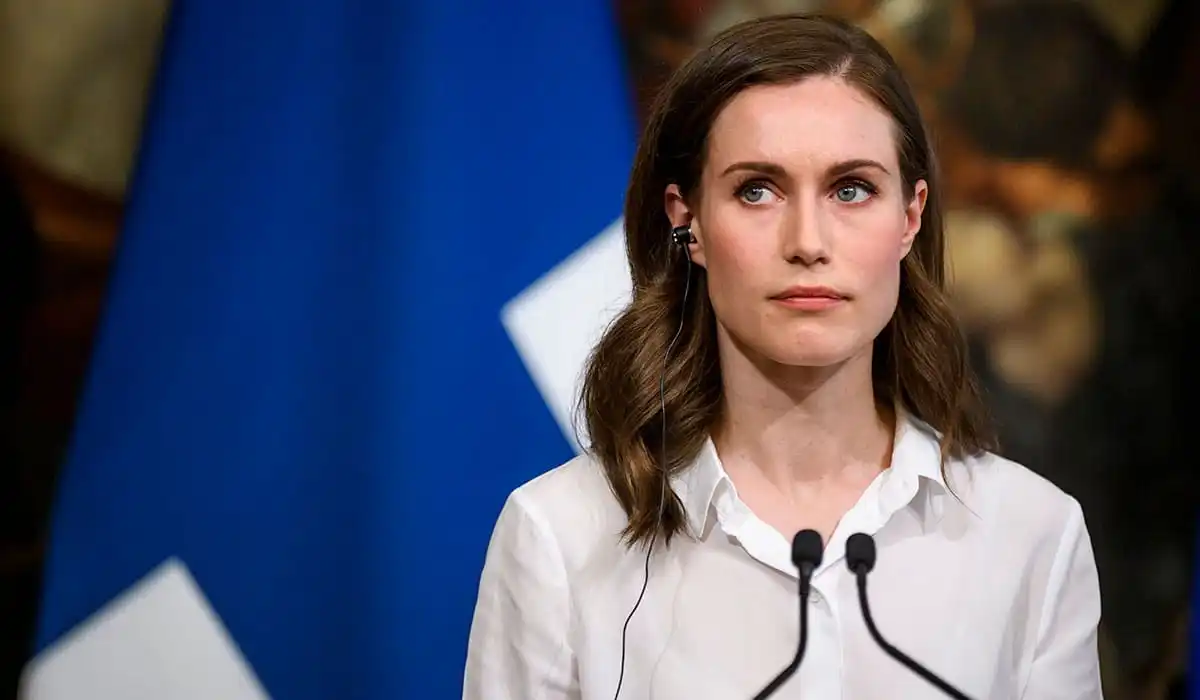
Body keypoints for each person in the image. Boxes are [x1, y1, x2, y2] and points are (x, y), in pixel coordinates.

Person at [463, 13, 1102, 699]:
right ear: (687, 222)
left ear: (910, 218)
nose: (807, 242)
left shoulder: (1032, 534)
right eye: (757, 190)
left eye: (850, 189)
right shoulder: (559, 538)